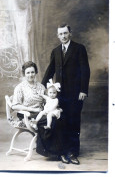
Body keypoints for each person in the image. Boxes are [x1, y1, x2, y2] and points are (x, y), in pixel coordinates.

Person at [41, 23, 90, 164]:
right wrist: (41, 87)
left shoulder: (79, 49)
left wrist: (83, 90)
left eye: (65, 33)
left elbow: (85, 71)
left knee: (74, 123)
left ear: (70, 33)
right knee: (61, 123)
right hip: (59, 96)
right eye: (60, 34)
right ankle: (62, 152)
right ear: (58, 36)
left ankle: (73, 152)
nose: (63, 36)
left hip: (75, 94)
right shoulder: (55, 51)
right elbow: (50, 71)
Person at [8, 61, 45, 129]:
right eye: (28, 73)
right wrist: (33, 109)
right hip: (26, 114)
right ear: (24, 74)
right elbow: (15, 106)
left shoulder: (41, 87)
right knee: (48, 121)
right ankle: (42, 138)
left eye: (32, 72)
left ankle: (42, 138)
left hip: (40, 114)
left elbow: (46, 103)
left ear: (36, 72)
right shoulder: (20, 87)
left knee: (55, 118)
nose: (30, 75)